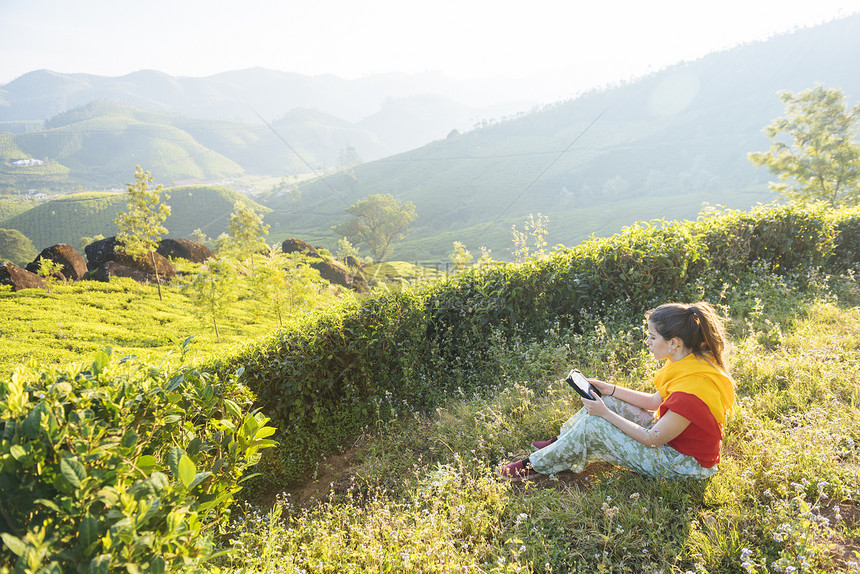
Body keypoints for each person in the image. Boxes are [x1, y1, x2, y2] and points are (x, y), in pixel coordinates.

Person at [498, 301, 735, 481]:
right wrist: (609, 389)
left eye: (652, 337)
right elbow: (654, 402)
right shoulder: (687, 362)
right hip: (675, 442)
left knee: (597, 422)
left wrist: (604, 413)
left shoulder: (690, 392)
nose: (648, 342)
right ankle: (562, 442)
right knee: (607, 401)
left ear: (674, 343)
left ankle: (532, 465)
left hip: (685, 464)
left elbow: (652, 440)